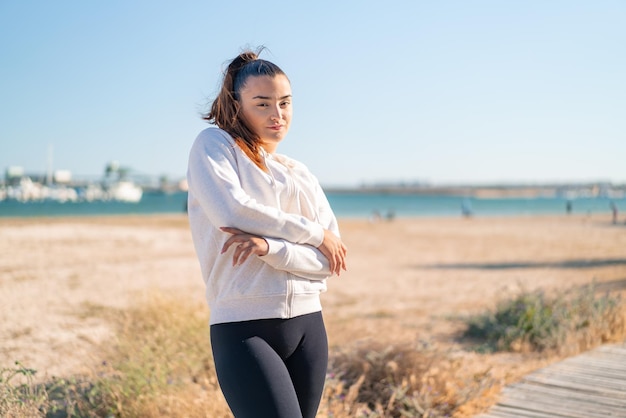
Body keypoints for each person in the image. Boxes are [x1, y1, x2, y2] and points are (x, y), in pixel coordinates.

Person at [186, 48, 347, 418]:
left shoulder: (300, 172)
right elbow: (233, 210)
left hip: (309, 326)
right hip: (244, 328)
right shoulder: (214, 147)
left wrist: (271, 247)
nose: (278, 115)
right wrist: (314, 233)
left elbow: (327, 261)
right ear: (236, 104)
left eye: (285, 103)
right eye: (262, 103)